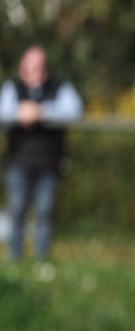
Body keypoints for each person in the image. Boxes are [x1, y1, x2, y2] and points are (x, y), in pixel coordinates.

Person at [0, 45, 83, 260]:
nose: (31, 72)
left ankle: (42, 260)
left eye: (36, 67)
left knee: (44, 213)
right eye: (27, 67)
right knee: (16, 211)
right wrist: (21, 113)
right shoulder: (13, 88)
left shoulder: (59, 87)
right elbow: (3, 112)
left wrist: (43, 111)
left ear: (44, 68)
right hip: (19, 161)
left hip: (50, 163)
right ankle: (15, 258)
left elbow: (75, 111)